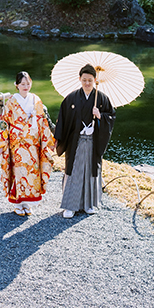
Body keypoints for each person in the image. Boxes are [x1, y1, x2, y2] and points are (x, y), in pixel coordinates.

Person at [0, 71, 56, 217]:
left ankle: (28, 203)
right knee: (19, 173)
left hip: (33, 144)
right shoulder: (12, 101)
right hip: (17, 144)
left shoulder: (36, 99)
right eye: (23, 84)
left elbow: (43, 122)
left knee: (32, 173)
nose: (26, 86)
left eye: (28, 83)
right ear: (17, 85)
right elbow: (4, 122)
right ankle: (18, 203)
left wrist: (49, 141)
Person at [54, 63, 115, 218]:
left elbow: (112, 116)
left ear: (95, 80)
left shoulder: (101, 98)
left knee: (90, 171)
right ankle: (70, 206)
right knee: (74, 171)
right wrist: (58, 138)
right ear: (79, 79)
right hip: (76, 141)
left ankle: (89, 204)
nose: (87, 83)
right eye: (84, 80)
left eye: (90, 80)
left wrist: (101, 116)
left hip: (93, 141)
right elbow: (62, 119)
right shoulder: (71, 98)